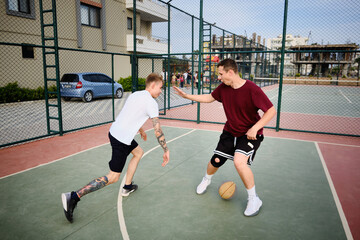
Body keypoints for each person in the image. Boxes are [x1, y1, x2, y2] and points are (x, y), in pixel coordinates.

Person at [61, 73, 170, 223]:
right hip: (121, 139)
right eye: (160, 87)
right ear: (152, 85)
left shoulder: (136, 95)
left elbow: (130, 114)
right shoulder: (151, 103)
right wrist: (166, 150)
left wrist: (140, 130)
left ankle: (127, 186)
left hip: (115, 131)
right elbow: (157, 130)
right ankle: (73, 196)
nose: (160, 91)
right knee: (113, 177)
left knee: (138, 153)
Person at [173, 59, 276, 217]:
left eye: (221, 74)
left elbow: (270, 111)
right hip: (230, 131)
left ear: (231, 72)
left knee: (239, 162)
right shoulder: (224, 88)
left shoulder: (251, 89)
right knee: (216, 161)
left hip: (249, 134)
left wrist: (255, 127)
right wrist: (187, 96)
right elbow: (209, 97)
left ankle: (254, 199)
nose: (219, 78)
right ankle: (206, 180)